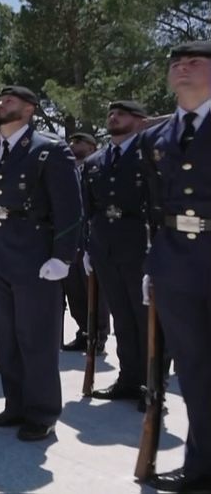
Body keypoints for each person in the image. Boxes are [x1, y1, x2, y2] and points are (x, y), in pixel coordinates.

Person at [0, 86, 81, 442]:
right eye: (0, 99)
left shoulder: (49, 150)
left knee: (36, 336)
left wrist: (63, 256)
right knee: (7, 337)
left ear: (30, 109)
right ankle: (16, 404)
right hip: (1, 253)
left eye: (10, 100)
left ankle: (43, 412)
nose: (1, 103)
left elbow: (69, 208)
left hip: (36, 255)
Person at [137, 40, 211, 493]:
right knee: (195, 371)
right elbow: (152, 205)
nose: (182, 68)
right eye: (176, 64)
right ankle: (201, 466)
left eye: (195, 62)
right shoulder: (156, 138)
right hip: (176, 266)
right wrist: (154, 262)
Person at [80, 101, 150, 408]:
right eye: (110, 113)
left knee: (147, 318)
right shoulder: (95, 161)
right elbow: (87, 210)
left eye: (121, 114)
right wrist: (86, 247)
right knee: (122, 317)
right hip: (105, 247)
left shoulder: (150, 155)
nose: (113, 117)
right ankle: (128, 379)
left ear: (138, 121)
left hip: (140, 246)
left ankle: (153, 384)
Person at [62, 132, 109, 352]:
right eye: (71, 142)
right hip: (73, 239)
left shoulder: (99, 167)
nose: (72, 145)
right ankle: (83, 331)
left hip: (92, 236)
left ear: (91, 147)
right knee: (75, 290)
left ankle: (98, 335)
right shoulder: (69, 171)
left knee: (95, 290)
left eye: (78, 142)